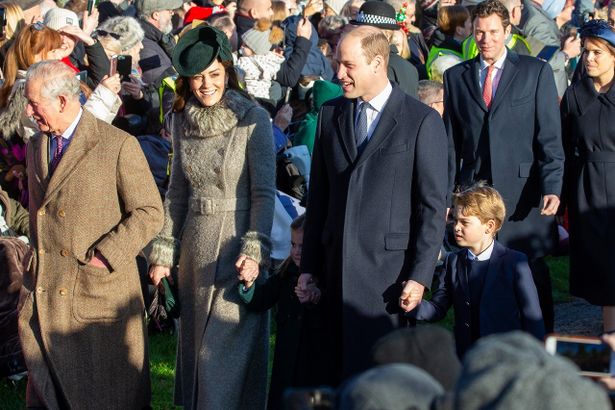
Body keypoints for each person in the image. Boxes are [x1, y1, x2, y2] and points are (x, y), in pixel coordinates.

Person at [298, 25, 448, 384]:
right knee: (336, 377)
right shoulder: (330, 114)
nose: (339, 73)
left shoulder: (420, 120)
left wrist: (419, 276)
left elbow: (431, 206)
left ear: (377, 63)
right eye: (337, 63)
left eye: (348, 65)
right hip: (334, 274)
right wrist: (309, 267)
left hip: (389, 280)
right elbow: (319, 198)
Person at [19, 60, 163, 408]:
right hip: (47, 291)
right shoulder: (36, 144)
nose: (27, 111)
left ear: (63, 102)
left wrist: (105, 256)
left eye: (34, 103)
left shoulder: (116, 145)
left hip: (96, 296)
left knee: (102, 395)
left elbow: (149, 212)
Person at [147, 25, 275, 409]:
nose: (206, 85)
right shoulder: (180, 118)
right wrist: (163, 252)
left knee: (221, 359)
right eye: (197, 77)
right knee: (195, 356)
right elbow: (177, 193)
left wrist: (255, 250)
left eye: (214, 75)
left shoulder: (254, 118)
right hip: (194, 253)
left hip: (237, 249)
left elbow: (264, 193)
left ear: (227, 71)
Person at [444, 0, 564, 333]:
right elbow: (451, 144)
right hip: (476, 195)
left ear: (507, 31)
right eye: (480, 32)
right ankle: (483, 348)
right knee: (479, 275)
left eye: (493, 32)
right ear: (471, 31)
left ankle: (541, 348)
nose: (486, 39)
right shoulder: (456, 77)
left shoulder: (533, 71)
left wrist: (553, 187)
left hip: (524, 195)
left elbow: (550, 137)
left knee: (529, 273)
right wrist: (446, 196)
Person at [409, 184, 545, 357]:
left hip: (507, 355)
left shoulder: (515, 262)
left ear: (489, 226)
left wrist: (538, 357)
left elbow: (532, 315)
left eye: (464, 222)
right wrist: (415, 305)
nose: (456, 227)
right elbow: (438, 307)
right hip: (468, 355)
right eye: (455, 220)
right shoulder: (453, 261)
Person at [560, 20, 615, 332]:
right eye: (585, 52)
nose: (589, 58)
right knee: (601, 272)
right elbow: (565, 149)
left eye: (597, 52)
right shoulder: (575, 96)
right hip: (587, 187)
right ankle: (609, 339)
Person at [238, 214, 321, 410]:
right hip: (286, 360)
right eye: (293, 245)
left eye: (303, 246)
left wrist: (316, 296)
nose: (296, 251)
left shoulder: (327, 276)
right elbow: (261, 300)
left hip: (312, 364)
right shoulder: (286, 273)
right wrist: (248, 283)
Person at [351, 1, 419, 97]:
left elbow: (409, 109)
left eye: (367, 32)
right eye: (358, 30)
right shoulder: (357, 60)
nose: (359, 36)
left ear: (387, 36)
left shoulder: (397, 67)